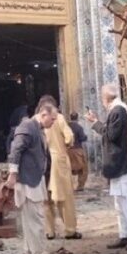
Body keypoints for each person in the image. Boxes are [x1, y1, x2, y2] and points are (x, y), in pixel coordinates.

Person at [85, 84, 127, 253]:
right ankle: (125, 235)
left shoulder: (118, 111)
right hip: (121, 164)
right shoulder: (120, 110)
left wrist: (95, 123)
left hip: (122, 164)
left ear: (105, 97)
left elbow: (111, 135)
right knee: (120, 202)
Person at [6, 103, 57, 254]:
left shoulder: (36, 128)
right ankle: (39, 252)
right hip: (28, 179)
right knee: (35, 217)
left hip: (33, 178)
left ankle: (29, 250)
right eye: (52, 118)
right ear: (43, 114)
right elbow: (16, 149)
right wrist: (13, 173)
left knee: (30, 217)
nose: (53, 122)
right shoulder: (28, 126)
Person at [37, 96, 81, 240]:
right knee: (65, 199)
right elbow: (69, 137)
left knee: (45, 199)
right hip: (58, 163)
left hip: (42, 164)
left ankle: (49, 231)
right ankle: (70, 230)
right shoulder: (59, 118)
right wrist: (65, 146)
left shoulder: (35, 120)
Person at [68, 112, 88, 191]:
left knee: (68, 169)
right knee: (83, 169)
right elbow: (82, 138)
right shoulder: (79, 127)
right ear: (77, 118)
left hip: (68, 150)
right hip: (77, 150)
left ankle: (68, 186)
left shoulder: (66, 126)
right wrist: (86, 137)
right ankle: (80, 185)